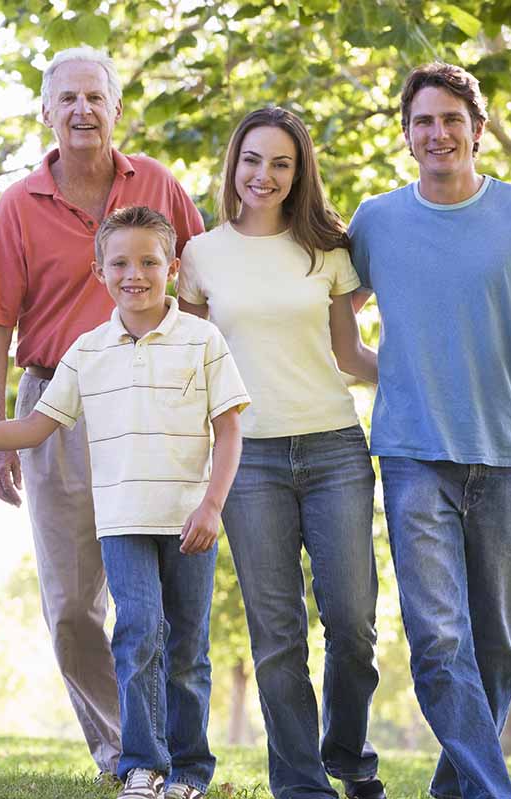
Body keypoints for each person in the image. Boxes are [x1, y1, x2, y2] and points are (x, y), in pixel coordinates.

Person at [349, 62, 511, 799]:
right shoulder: (377, 220)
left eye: (452, 119)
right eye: (423, 121)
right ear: (406, 135)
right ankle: (495, 793)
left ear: (478, 130)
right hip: (410, 455)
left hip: (502, 457)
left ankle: (454, 789)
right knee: (438, 640)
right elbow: (336, 327)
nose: (438, 132)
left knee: (498, 647)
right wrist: (396, 374)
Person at [0, 206, 247, 799]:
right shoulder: (87, 350)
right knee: (136, 632)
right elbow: (35, 426)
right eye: (120, 264)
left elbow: (230, 429)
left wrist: (213, 505)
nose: (135, 274)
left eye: (149, 262)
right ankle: (142, 764)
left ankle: (188, 772)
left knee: (186, 646)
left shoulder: (203, 340)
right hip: (121, 522)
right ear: (98, 272)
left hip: (190, 520)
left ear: (172, 267)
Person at [0, 46, 205, 778]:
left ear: (116, 109)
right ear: (46, 112)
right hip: (57, 405)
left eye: (94, 97)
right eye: (66, 99)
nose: (81, 111)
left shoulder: (160, 186)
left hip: (156, 403)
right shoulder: (18, 206)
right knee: (73, 604)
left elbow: (199, 292)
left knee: (160, 599)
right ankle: (121, 746)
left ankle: (159, 754)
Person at [178, 107, 384, 799]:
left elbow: (349, 353)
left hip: (334, 448)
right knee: (277, 634)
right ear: (234, 164)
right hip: (250, 462)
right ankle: (301, 785)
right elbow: (194, 365)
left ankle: (348, 752)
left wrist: (426, 378)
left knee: (353, 622)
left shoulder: (326, 250)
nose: (264, 175)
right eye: (253, 160)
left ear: (300, 174)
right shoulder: (201, 254)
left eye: (281, 163)